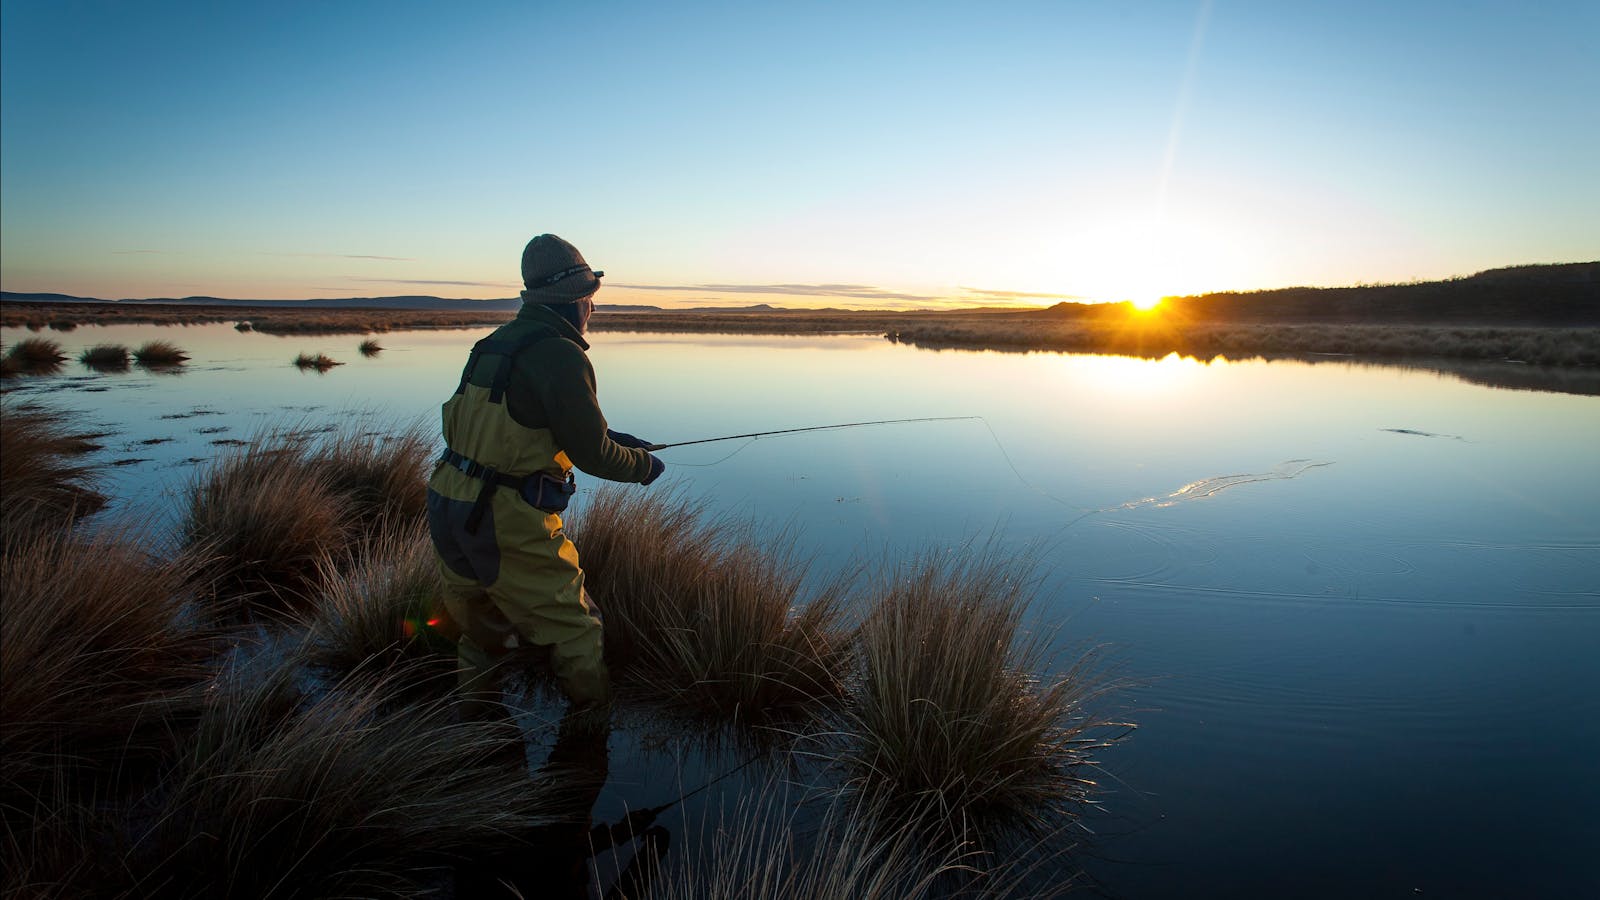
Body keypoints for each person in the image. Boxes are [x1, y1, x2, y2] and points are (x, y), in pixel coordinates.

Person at [425, 233, 664, 719]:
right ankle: (589, 740)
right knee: (576, 628)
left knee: (479, 628)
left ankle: (476, 732)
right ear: (573, 300)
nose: (592, 310)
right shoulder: (560, 354)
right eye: (590, 299)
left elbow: (520, 421)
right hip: (505, 519)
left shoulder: (493, 345)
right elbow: (594, 456)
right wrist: (643, 466)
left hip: (448, 503)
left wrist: (614, 435)